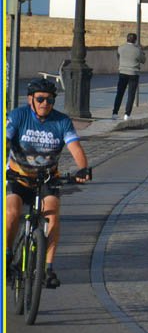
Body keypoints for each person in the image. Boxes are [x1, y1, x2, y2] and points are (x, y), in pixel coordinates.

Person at [6, 78, 92, 289]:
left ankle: (47, 268)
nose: (45, 103)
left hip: (47, 178)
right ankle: (6, 257)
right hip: (18, 177)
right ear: (30, 100)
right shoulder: (18, 116)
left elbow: (75, 148)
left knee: (52, 215)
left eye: (50, 100)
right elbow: (5, 141)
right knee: (12, 213)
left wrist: (82, 169)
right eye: (40, 99)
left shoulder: (62, 121)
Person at [111, 33, 145, 120]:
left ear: (127, 39)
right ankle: (127, 114)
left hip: (122, 72)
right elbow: (143, 60)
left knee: (119, 93)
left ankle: (115, 112)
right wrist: (142, 50)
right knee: (131, 94)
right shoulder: (137, 50)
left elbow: (118, 56)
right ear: (135, 40)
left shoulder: (120, 48)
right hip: (133, 73)